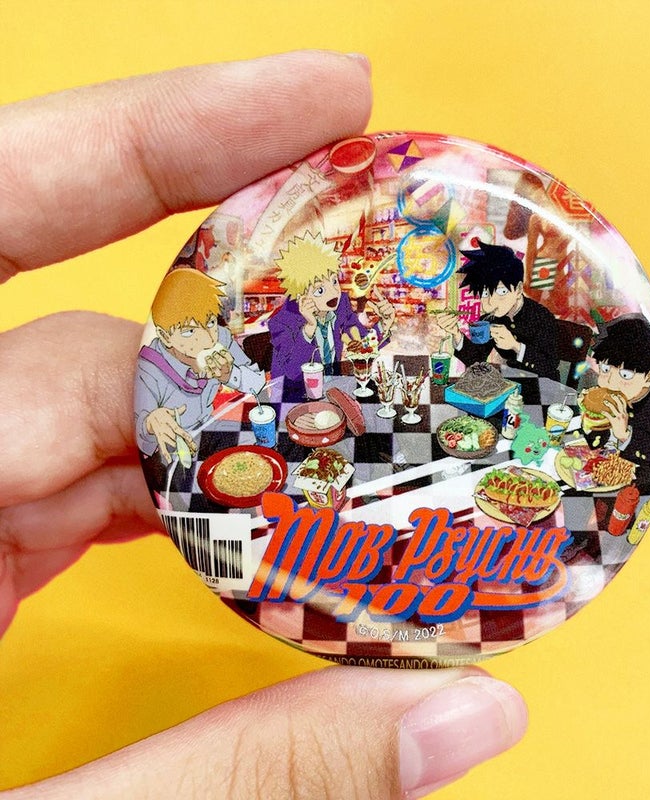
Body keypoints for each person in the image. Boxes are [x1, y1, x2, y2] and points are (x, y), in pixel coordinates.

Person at [0, 51, 526, 799]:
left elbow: (359, 353)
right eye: (317, 290)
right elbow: (269, 388)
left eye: (329, 289)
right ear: (299, 289)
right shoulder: (276, 327)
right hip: (295, 439)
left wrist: (387, 352)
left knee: (396, 467)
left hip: (354, 425)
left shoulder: (346, 313)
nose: (326, 299)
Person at [135, 268, 265, 466]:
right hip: (173, 449)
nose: (207, 339)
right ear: (165, 336)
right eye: (189, 331)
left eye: (210, 322)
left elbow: (257, 383)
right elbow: (138, 436)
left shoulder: (221, 338)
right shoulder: (147, 369)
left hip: (209, 427)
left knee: (264, 446)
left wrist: (230, 374)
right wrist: (150, 423)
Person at [268, 231, 396, 381]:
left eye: (334, 281)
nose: (334, 293)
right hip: (294, 391)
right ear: (300, 295)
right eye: (320, 290)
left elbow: (361, 345)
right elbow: (293, 371)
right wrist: (309, 328)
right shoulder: (282, 322)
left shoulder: (341, 305)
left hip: (331, 384)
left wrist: (384, 324)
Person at [580, 314, 650, 494]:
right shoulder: (606, 394)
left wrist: (626, 435)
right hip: (598, 476)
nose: (610, 383)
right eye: (605, 369)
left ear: (649, 377)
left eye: (625, 375)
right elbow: (595, 443)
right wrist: (592, 420)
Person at [436, 240, 559, 379]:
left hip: (545, 387)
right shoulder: (490, 318)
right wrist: (456, 333)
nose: (491, 302)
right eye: (485, 293)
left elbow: (550, 366)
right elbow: (476, 358)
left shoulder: (541, 316)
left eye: (501, 292)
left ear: (518, 289)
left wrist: (516, 346)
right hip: (512, 384)